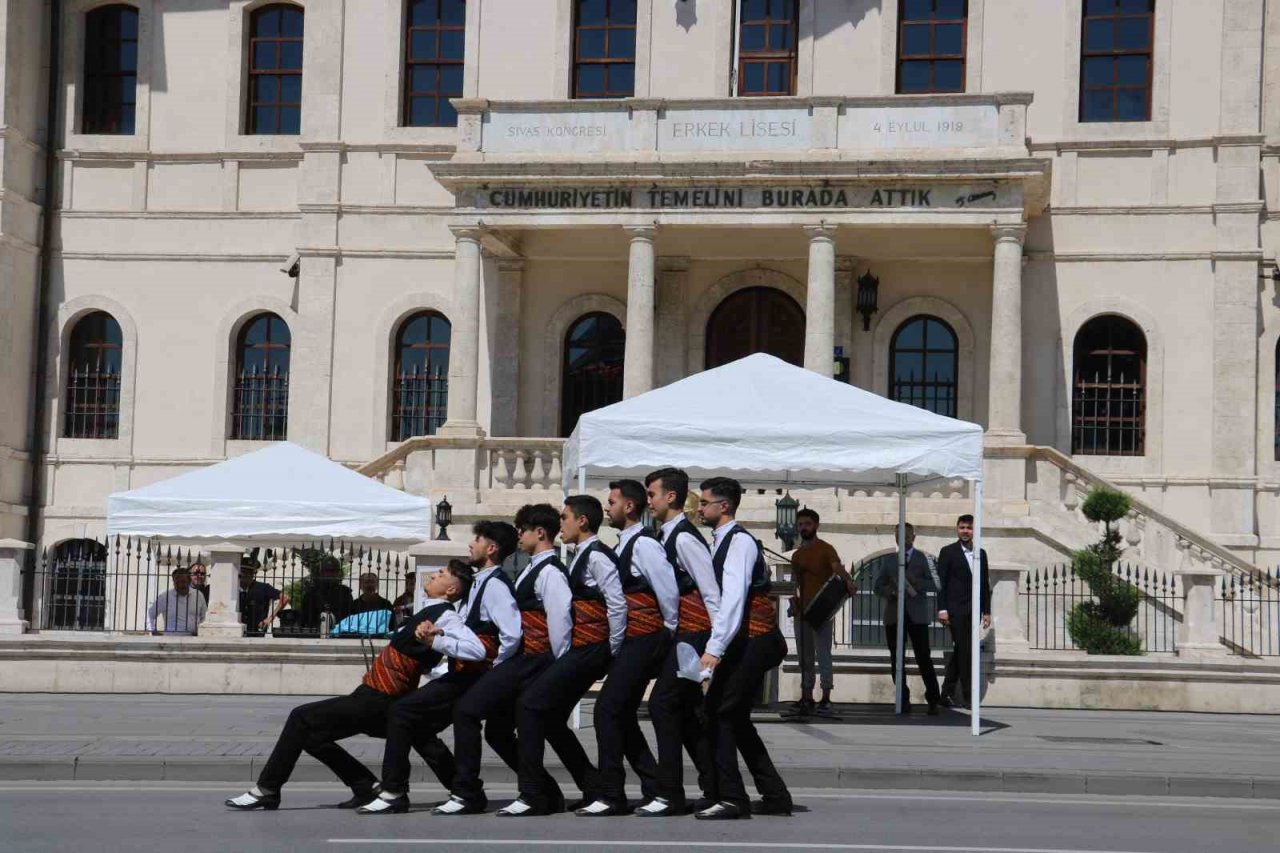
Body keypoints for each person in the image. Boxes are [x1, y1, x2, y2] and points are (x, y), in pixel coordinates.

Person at [224, 563, 481, 811]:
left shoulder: (447, 617)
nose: (435, 575)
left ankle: (267, 790)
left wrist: (438, 641)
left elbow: (475, 649)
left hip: (377, 698)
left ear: (451, 589)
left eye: (443, 574)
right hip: (380, 697)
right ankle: (367, 786)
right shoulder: (426, 613)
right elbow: (422, 660)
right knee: (314, 736)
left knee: (300, 718)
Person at [359, 522, 521, 815]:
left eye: (477, 539)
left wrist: (493, 671)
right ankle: (466, 790)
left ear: (491, 548)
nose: (471, 544)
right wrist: (442, 635)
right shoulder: (481, 583)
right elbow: (471, 632)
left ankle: (397, 791)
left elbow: (509, 635)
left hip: (476, 674)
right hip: (467, 672)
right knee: (417, 723)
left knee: (405, 712)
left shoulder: (495, 585)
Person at [437, 504, 572, 816]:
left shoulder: (540, 574)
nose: (519, 534)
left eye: (523, 529)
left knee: (467, 711)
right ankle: (545, 793)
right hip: (522, 660)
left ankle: (470, 792)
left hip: (530, 660)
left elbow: (549, 623)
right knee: (498, 731)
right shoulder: (512, 574)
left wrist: (551, 666)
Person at [501, 495, 626, 817]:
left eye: (565, 517)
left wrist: (611, 649)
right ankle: (592, 787)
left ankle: (534, 793)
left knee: (530, 706)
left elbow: (612, 604)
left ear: (581, 520)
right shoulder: (578, 556)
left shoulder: (593, 556)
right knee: (552, 719)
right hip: (583, 649)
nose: (562, 524)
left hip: (588, 648)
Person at [577, 479, 680, 817]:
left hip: (646, 638)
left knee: (606, 709)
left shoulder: (644, 545)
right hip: (634, 640)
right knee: (619, 713)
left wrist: (665, 632)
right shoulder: (623, 544)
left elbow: (667, 591)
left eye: (612, 502)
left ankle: (612, 794)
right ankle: (655, 787)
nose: (607, 508)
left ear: (629, 506)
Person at [695, 477, 791, 821]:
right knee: (732, 717)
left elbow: (733, 599)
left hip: (755, 640)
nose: (699, 508)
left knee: (720, 713)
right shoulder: (721, 541)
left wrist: (715, 648)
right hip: (746, 641)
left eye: (704, 502)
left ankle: (733, 798)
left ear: (724, 506)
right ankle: (775, 796)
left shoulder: (739, 542)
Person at [639, 467, 720, 818]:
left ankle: (670, 793)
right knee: (685, 712)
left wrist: (715, 648)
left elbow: (711, 593)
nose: (648, 501)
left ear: (670, 497)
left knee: (662, 704)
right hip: (684, 635)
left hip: (694, 634)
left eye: (652, 494)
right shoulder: (667, 536)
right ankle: (714, 787)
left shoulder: (684, 539)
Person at [788, 508, 856, 715]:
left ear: (816, 525)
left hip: (821, 610)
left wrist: (848, 581)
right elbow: (795, 584)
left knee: (823, 654)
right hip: (802, 612)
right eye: (800, 524)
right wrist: (793, 603)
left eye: (807, 524)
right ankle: (806, 696)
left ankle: (826, 697)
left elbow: (837, 568)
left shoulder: (826, 549)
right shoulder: (797, 555)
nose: (803, 528)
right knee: (804, 656)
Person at [873, 523, 942, 715]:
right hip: (894, 615)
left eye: (906, 535)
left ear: (913, 537)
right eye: (898, 536)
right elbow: (877, 586)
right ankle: (902, 698)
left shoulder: (924, 559)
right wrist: (891, 591)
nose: (902, 539)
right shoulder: (889, 560)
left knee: (924, 658)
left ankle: (933, 699)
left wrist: (918, 583)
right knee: (897, 659)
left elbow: (936, 584)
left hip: (917, 616)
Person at [937, 514, 992, 709]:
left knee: (962, 650)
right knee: (966, 651)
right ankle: (968, 697)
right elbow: (941, 583)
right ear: (957, 529)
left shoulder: (981, 553)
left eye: (968, 528)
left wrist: (986, 611)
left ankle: (946, 693)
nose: (965, 531)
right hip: (955, 610)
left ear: (974, 530)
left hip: (974, 610)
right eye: (962, 527)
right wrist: (942, 609)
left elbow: (984, 584)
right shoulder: (947, 552)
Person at [145, 566, 208, 635]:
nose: (180, 585)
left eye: (183, 582)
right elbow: (150, 614)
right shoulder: (165, 597)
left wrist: (199, 630)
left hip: (193, 639)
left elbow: (205, 617)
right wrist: (153, 631)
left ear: (189, 581)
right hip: (171, 639)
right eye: (177, 582)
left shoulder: (198, 596)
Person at [299, 555, 354, 631]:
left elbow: (350, 617)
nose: (330, 574)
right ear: (321, 572)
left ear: (337, 573)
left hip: (340, 633)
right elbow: (304, 618)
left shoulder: (345, 593)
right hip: (315, 633)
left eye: (333, 571)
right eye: (327, 571)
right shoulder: (311, 594)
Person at [238, 554, 288, 636]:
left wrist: (270, 619)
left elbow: (285, 598)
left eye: (250, 572)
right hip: (234, 631)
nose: (247, 575)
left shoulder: (263, 587)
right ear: (239, 572)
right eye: (244, 572)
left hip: (256, 632)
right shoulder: (232, 588)